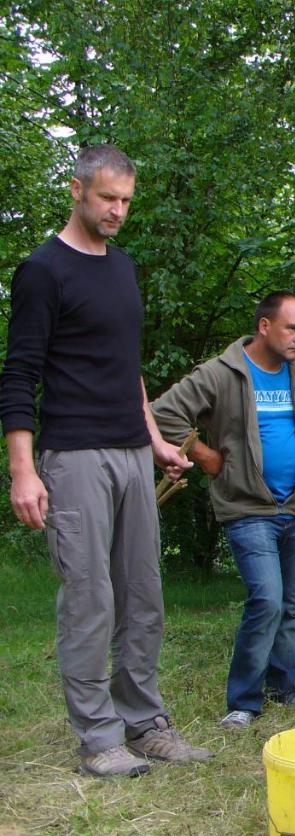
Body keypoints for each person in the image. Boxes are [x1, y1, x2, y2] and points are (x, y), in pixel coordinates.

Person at [0, 144, 210, 777]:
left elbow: (127, 371)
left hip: (128, 455)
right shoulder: (43, 270)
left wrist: (155, 440)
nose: (117, 211)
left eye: (125, 201)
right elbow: (19, 375)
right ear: (77, 191)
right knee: (90, 598)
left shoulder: (122, 268)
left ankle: (143, 722)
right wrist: (24, 469)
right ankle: (98, 737)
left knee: (143, 595)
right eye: (106, 199)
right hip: (73, 457)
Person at [151, 291, 295, 729]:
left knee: (289, 605)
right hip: (247, 508)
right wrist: (207, 455)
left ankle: (285, 688)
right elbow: (161, 414)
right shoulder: (222, 372)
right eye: (292, 328)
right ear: (264, 326)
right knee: (266, 599)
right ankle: (244, 701)